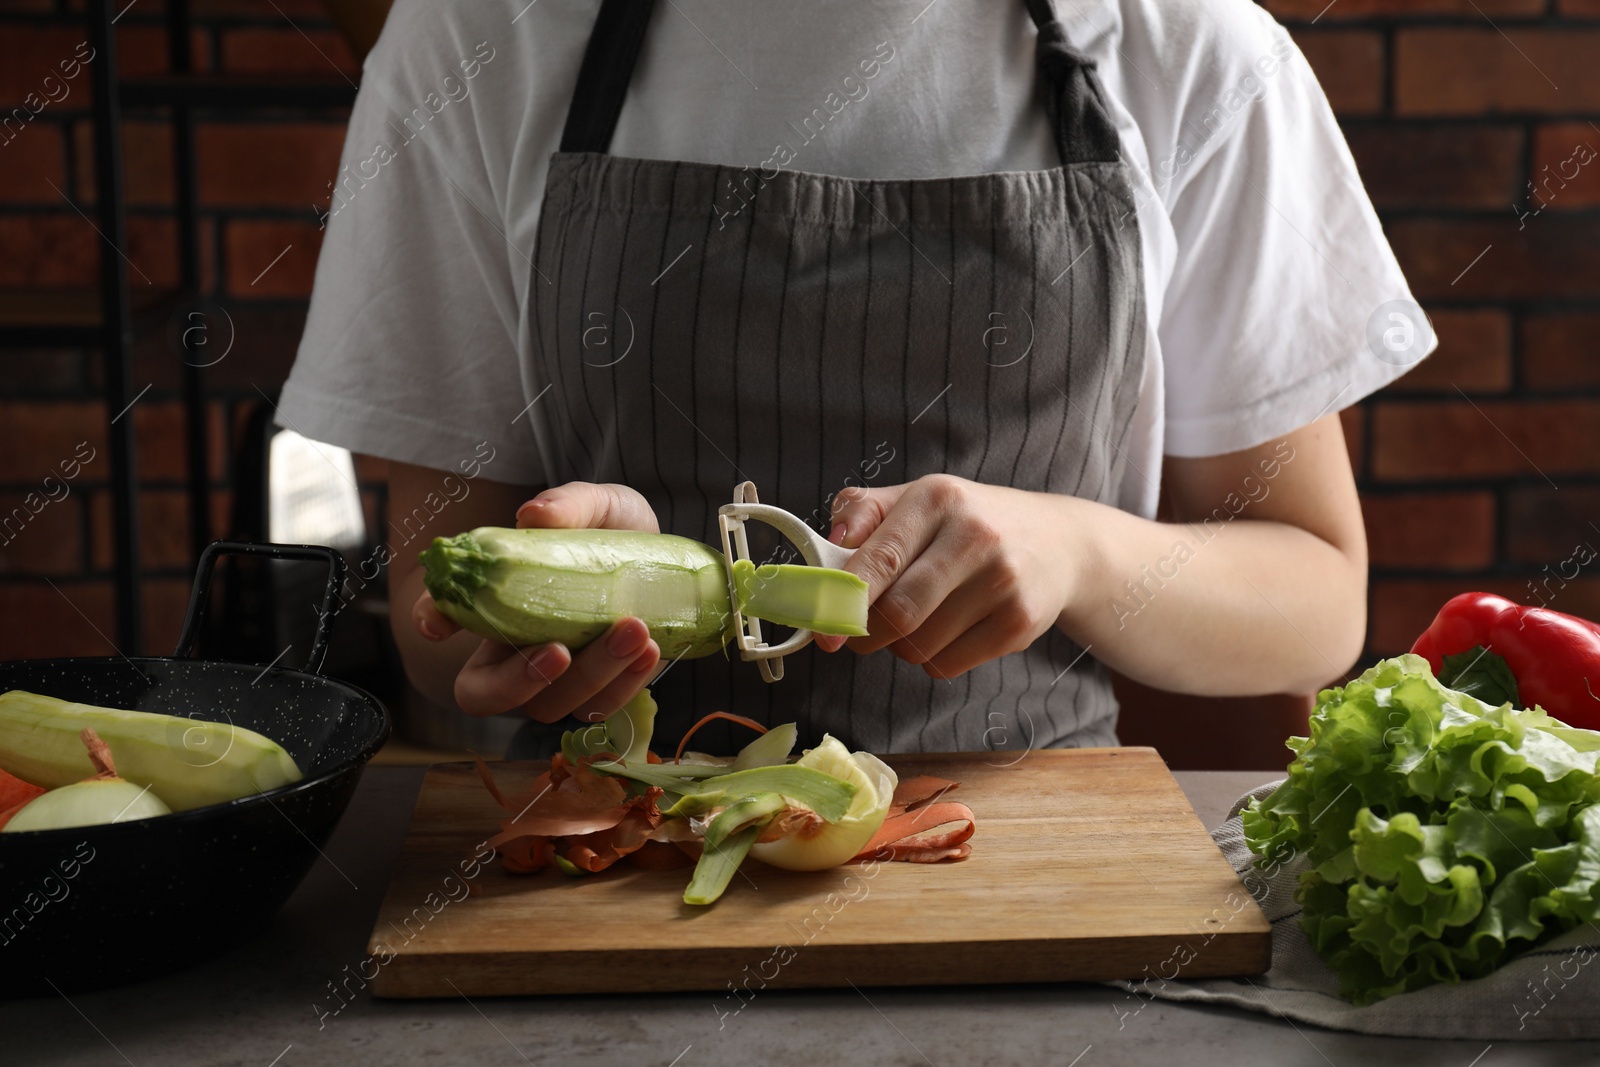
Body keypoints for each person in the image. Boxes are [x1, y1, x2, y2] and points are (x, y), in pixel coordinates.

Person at [279, 0, 1431, 758]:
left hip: (1035, 878)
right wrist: (570, 584)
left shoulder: (1184, 43)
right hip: (600, 869)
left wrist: (1081, 551)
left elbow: (1317, 600)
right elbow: (432, 625)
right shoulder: (481, 33)